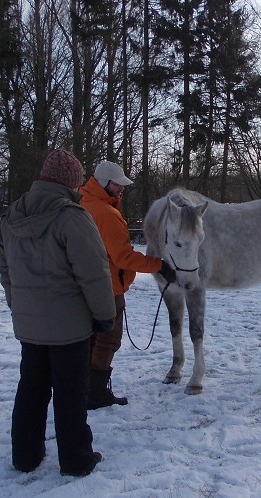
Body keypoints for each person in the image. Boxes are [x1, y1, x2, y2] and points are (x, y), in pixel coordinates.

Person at [0, 149, 116, 477]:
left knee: (31, 388)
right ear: (70, 182)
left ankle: (25, 455)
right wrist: (105, 315)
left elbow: (5, 270)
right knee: (70, 393)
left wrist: (19, 307)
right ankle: (77, 459)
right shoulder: (72, 217)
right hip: (69, 329)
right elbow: (94, 273)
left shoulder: (12, 215)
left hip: (30, 326)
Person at [79, 160, 176, 410]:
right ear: (103, 183)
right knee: (108, 340)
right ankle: (96, 392)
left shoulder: (81, 202)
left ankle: (83, 388)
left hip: (83, 285)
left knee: (90, 338)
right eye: (117, 184)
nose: (121, 189)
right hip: (108, 286)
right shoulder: (107, 214)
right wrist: (159, 265)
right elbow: (122, 257)